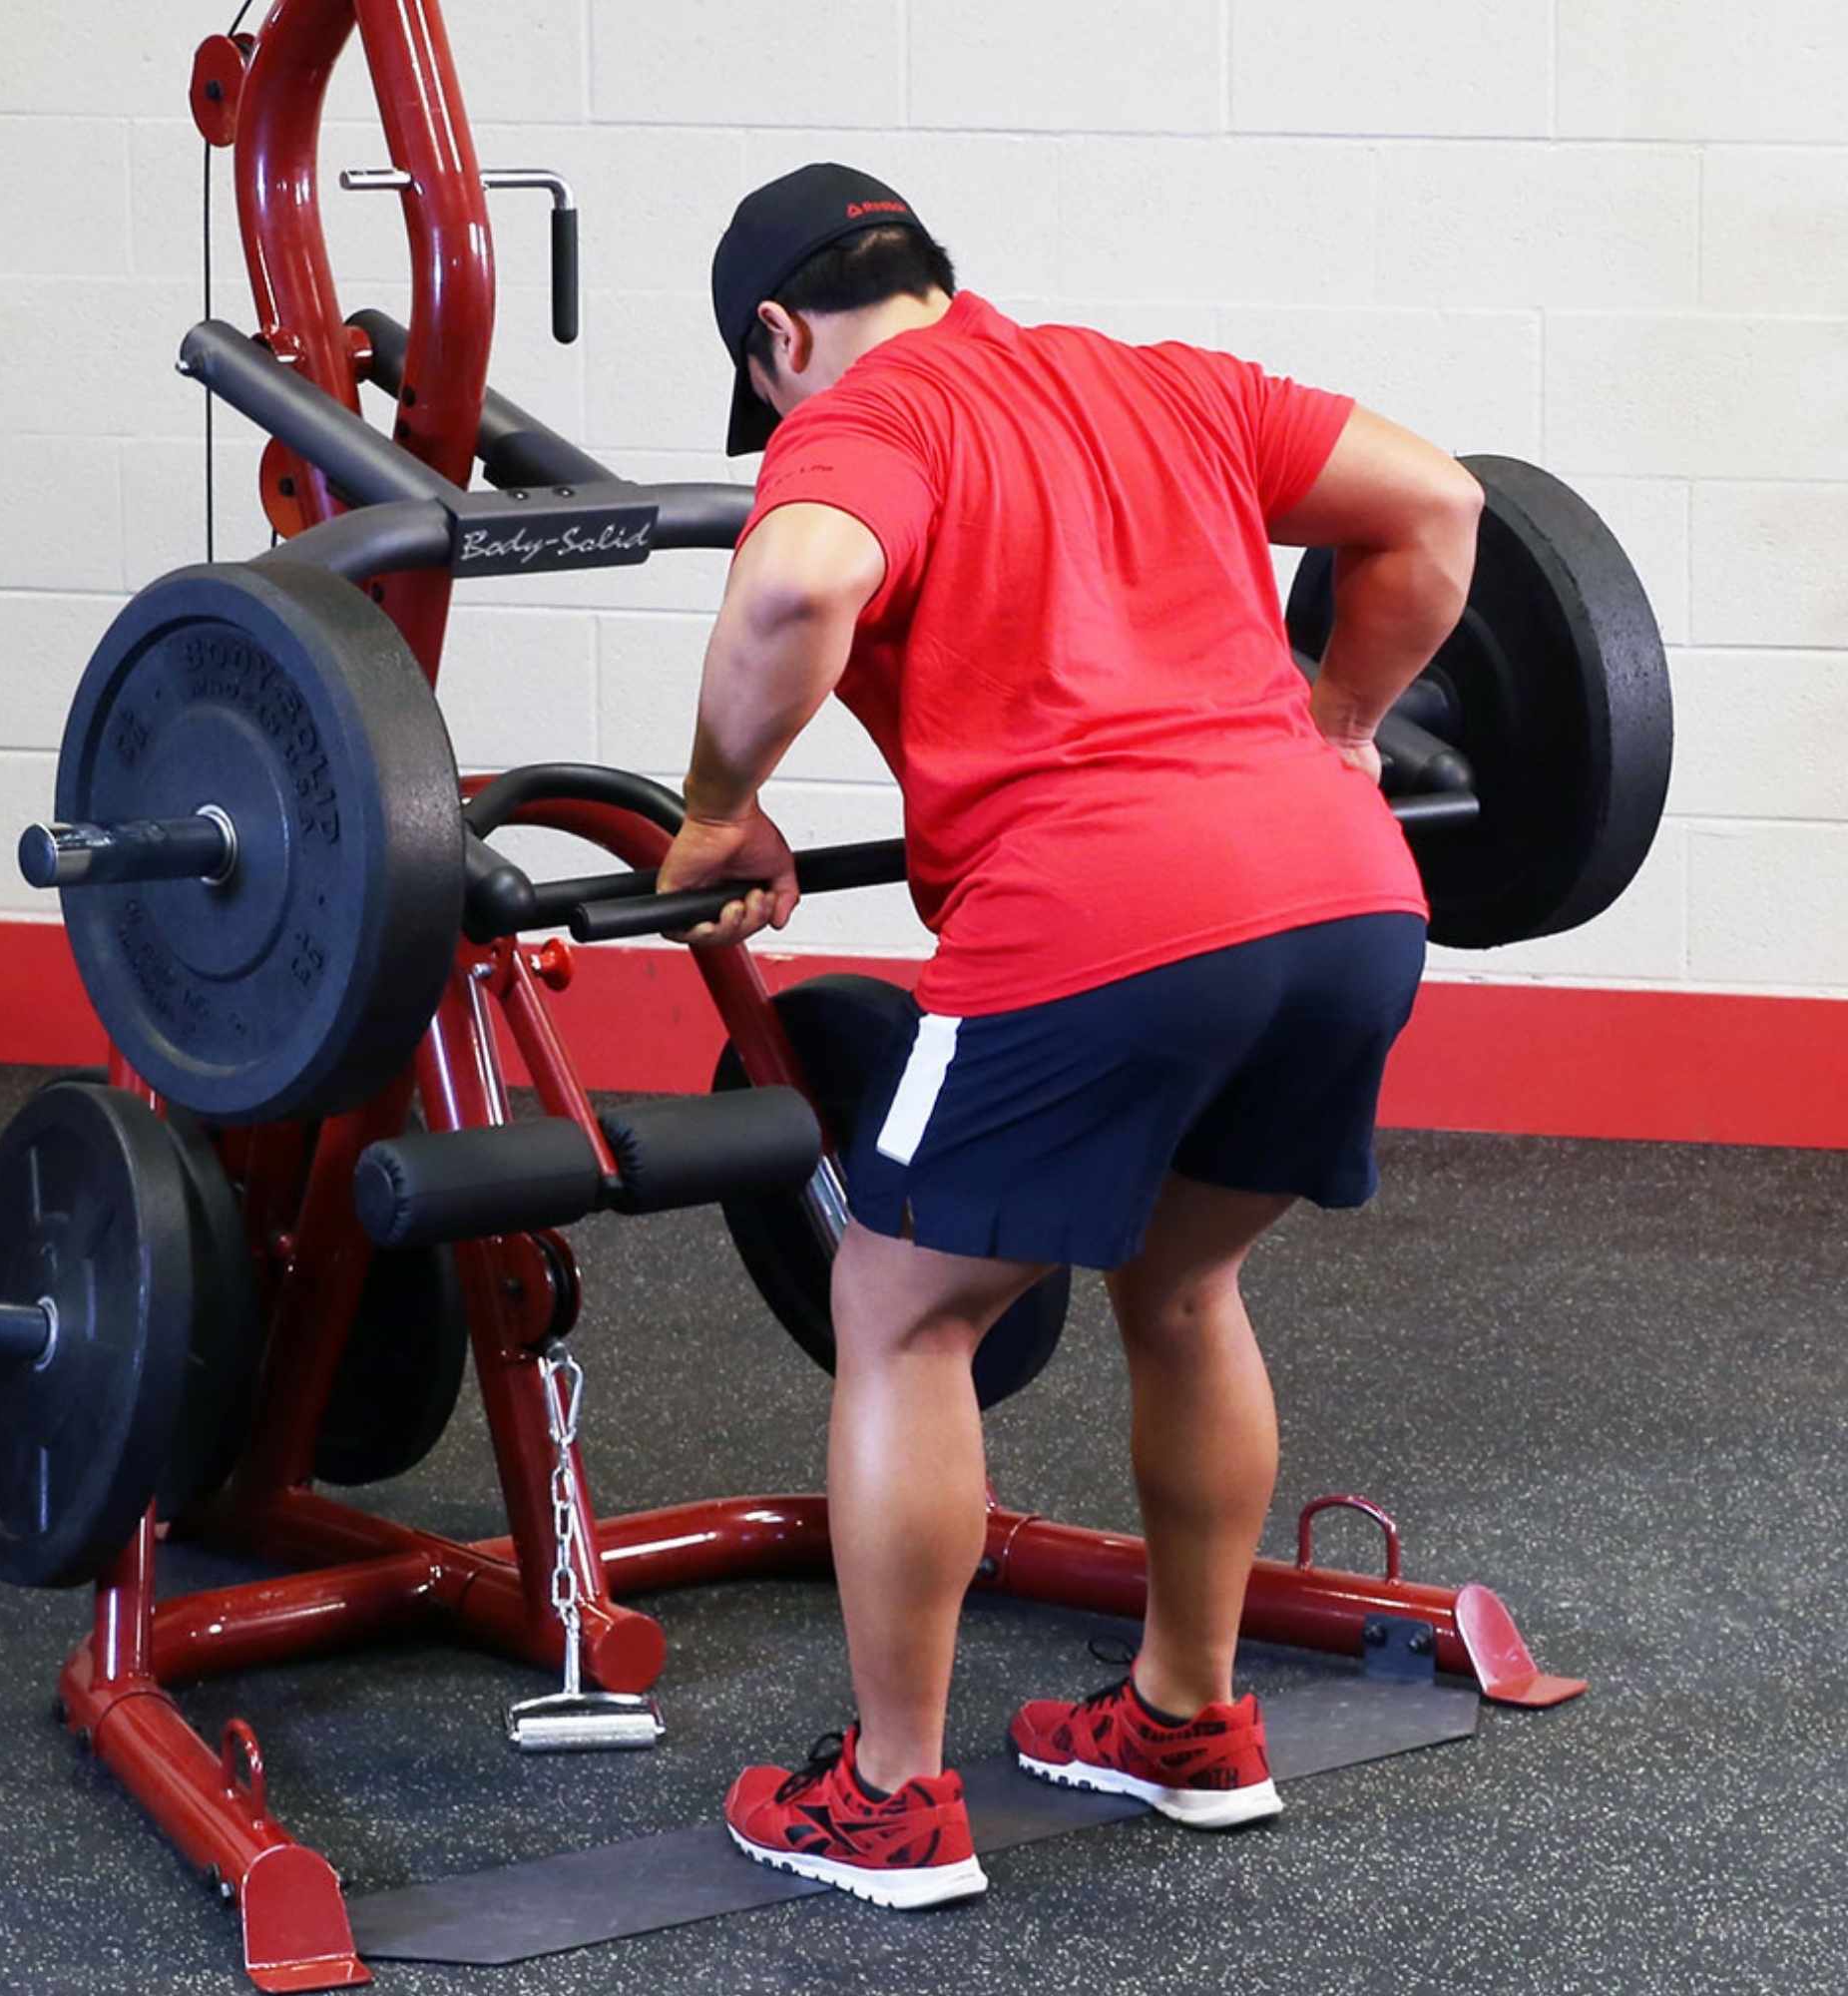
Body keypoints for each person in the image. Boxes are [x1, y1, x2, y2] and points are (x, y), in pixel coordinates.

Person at [656, 163, 1481, 1908]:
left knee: (897, 1311)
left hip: (1104, 908)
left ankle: (884, 1800)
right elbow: (1438, 505)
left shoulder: (865, 414)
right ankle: (1186, 1716)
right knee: (1181, 1284)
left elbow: (798, 587)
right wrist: (1336, 722)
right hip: (1350, 896)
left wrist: (723, 806)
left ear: (781, 337)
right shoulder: (1157, 377)